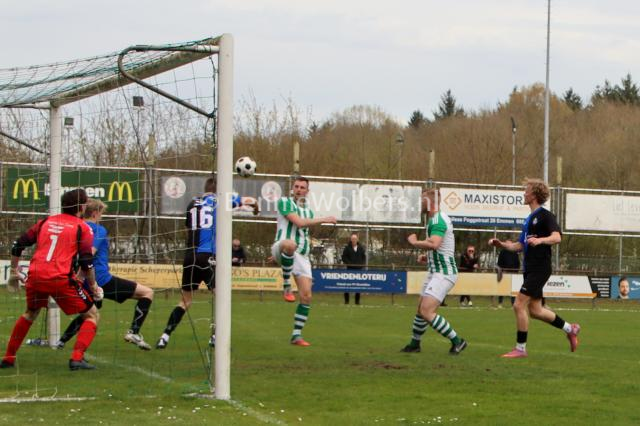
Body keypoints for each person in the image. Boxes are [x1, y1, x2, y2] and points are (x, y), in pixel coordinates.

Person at [0, 189, 101, 370]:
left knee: (30, 313)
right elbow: (86, 261)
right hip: (59, 278)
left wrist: (14, 271)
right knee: (92, 315)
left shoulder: (45, 222)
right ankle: (76, 359)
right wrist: (93, 285)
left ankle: (8, 358)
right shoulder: (83, 227)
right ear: (81, 206)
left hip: (36, 276)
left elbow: (18, 245)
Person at [156, 177, 258, 349]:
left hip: (190, 257)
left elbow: (190, 227)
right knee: (222, 298)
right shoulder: (221, 200)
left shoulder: (192, 204)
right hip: (208, 256)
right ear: (220, 189)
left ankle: (164, 336)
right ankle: (215, 336)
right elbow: (251, 201)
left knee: (185, 301)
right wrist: (256, 209)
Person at [489, 178, 580, 358]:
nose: (524, 193)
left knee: (518, 304)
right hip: (530, 269)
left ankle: (520, 349)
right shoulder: (529, 220)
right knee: (536, 311)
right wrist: (502, 245)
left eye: (527, 190)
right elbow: (520, 246)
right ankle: (571, 329)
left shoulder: (545, 215)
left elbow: (557, 237)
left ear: (534, 195)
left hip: (540, 268)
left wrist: (540, 240)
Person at [56, 199, 155, 350]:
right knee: (147, 293)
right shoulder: (98, 230)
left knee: (90, 312)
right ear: (95, 213)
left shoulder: (76, 227)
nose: (101, 216)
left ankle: (61, 342)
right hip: (101, 280)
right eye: (101, 213)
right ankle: (134, 332)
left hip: (82, 280)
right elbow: (90, 253)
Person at [400, 188, 468, 355]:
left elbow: (435, 244)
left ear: (429, 202)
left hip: (444, 273)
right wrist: (428, 257)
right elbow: (440, 247)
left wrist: (415, 242)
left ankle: (457, 341)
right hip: (436, 270)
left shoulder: (438, 220)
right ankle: (415, 344)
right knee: (420, 309)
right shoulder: (434, 219)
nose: (420, 204)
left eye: (422, 200)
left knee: (426, 311)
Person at [272, 176, 337, 346]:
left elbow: (303, 233)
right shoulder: (284, 202)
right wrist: (324, 219)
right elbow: (299, 223)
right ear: (292, 188)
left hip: (301, 256)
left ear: (307, 191)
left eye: (302, 187)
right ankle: (287, 285)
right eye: (296, 186)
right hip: (284, 245)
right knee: (290, 244)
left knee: (306, 296)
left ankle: (296, 335)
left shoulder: (308, 211)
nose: (299, 189)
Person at [341, 232, 366, 305]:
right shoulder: (347, 248)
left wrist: (361, 264)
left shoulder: (361, 248)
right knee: (347, 286)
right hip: (349, 269)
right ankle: (346, 301)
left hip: (359, 270)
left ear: (357, 239)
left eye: (355, 239)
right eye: (353, 239)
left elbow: (363, 257)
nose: (354, 240)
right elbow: (344, 257)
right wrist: (349, 263)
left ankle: (357, 302)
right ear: (351, 239)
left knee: (358, 286)